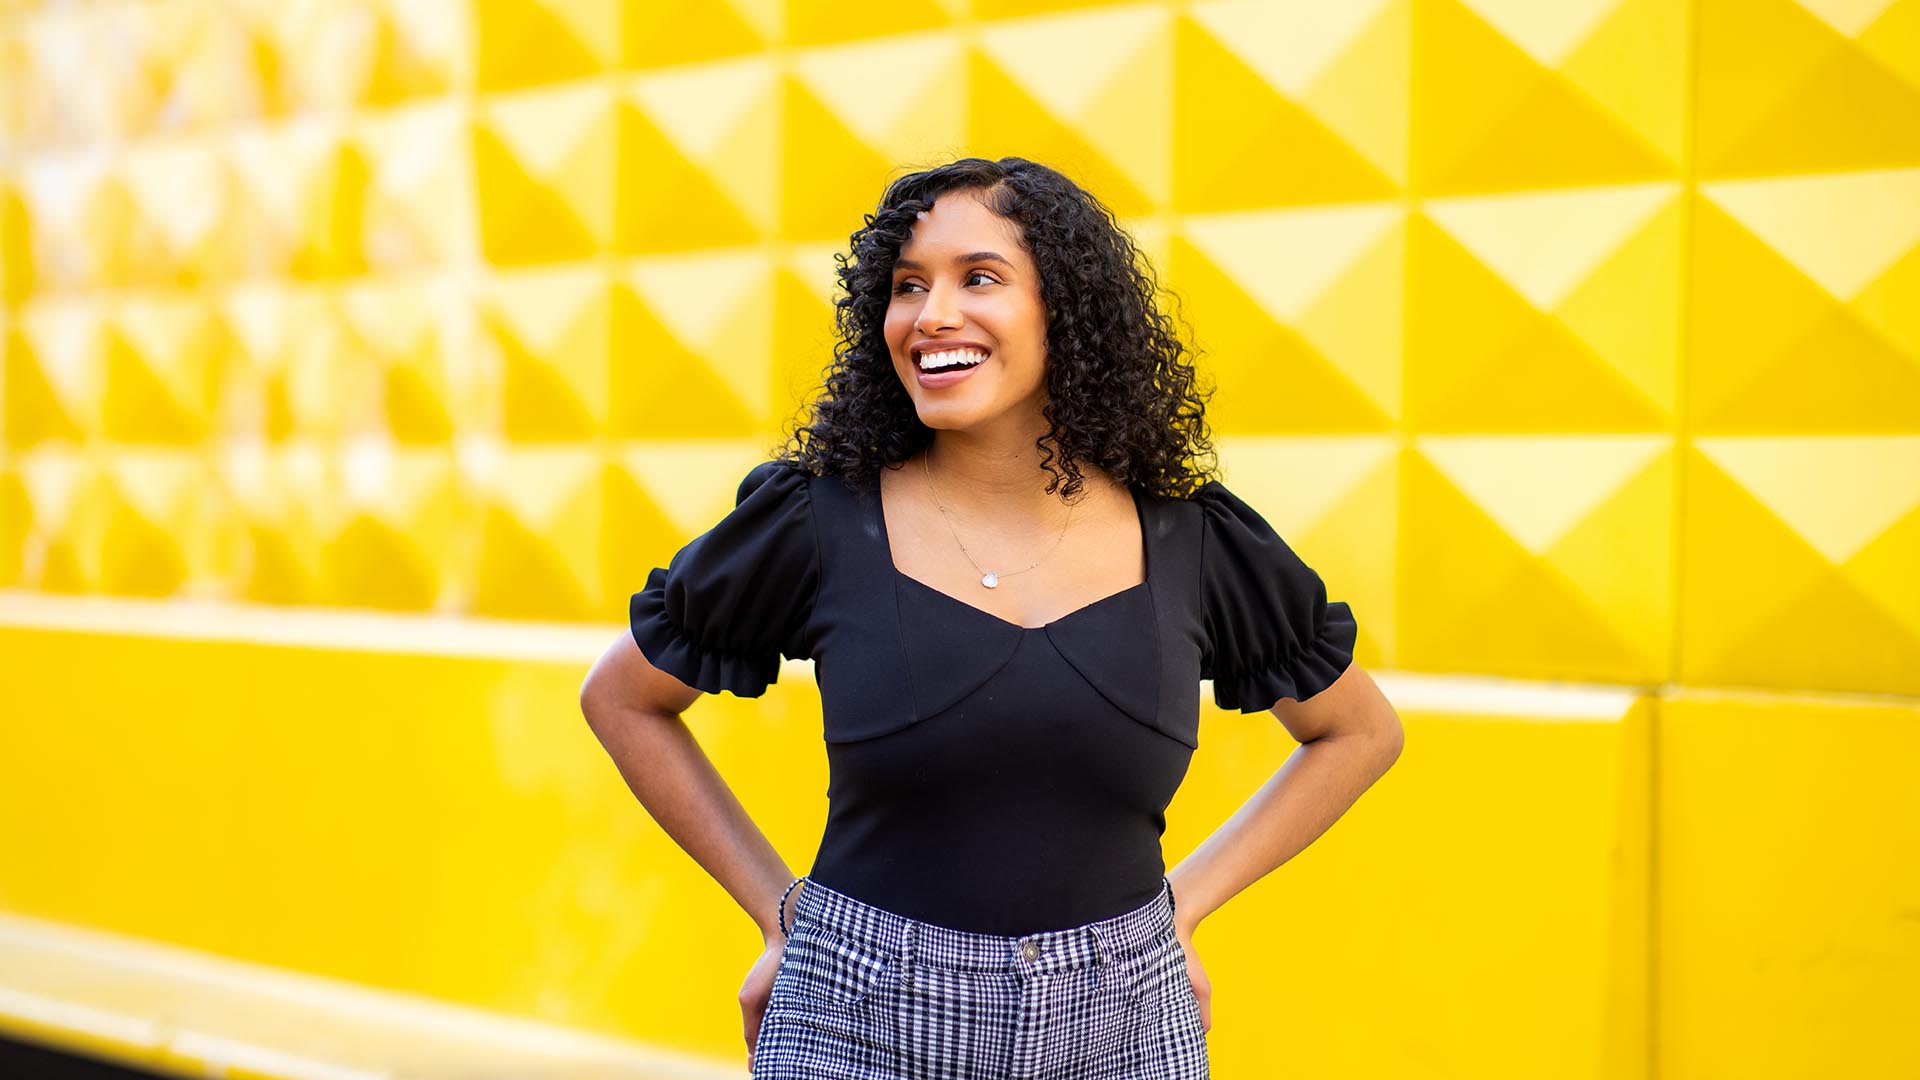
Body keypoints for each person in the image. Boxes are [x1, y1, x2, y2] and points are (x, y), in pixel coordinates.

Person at [579, 156, 1403, 1079]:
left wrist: (1181, 910)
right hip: (857, 1023)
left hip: (1125, 1029)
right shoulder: (820, 519)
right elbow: (623, 697)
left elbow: (1359, 730)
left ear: (1068, 310)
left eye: (980, 278)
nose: (930, 316)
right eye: (905, 286)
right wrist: (787, 917)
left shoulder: (1194, 541)